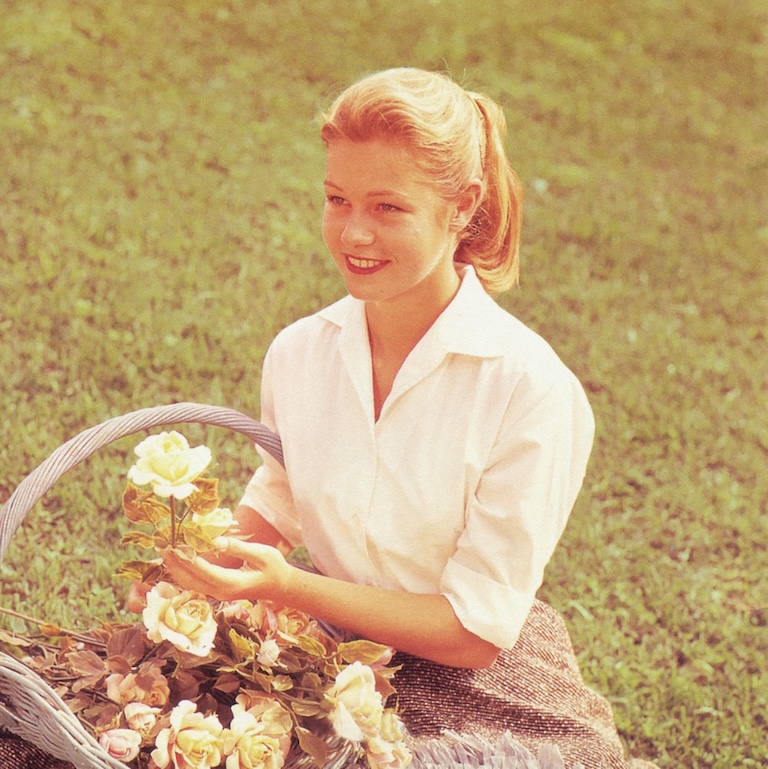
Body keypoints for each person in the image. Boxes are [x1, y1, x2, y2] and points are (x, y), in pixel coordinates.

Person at [163, 68, 657, 769]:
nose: (354, 232)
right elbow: (279, 498)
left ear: (463, 207)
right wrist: (195, 567)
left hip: (479, 681)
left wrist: (288, 586)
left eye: (389, 208)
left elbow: (473, 633)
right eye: (337, 199)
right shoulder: (301, 352)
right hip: (331, 645)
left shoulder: (532, 390)